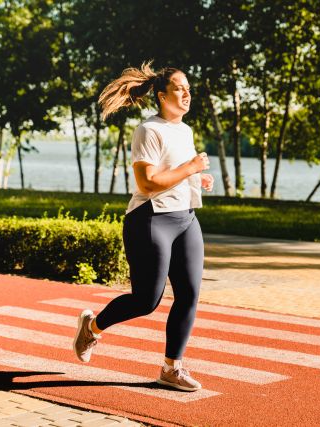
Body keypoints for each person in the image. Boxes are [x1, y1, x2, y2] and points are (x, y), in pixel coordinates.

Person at [72, 62, 214, 392]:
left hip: (186, 218)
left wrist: (196, 176)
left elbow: (173, 173)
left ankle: (171, 368)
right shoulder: (148, 131)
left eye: (189, 88)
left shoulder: (185, 130)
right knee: (146, 300)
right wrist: (190, 166)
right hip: (151, 219)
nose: (187, 93)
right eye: (180, 88)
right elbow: (148, 183)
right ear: (163, 96)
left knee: (190, 295)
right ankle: (92, 327)